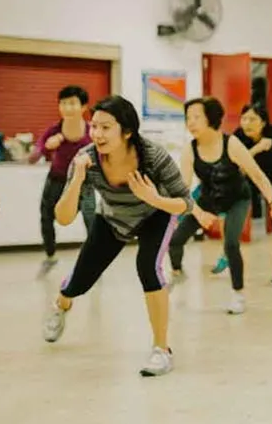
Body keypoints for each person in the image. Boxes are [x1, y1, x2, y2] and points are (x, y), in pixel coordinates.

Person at [42, 95, 195, 377]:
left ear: (126, 131)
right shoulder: (86, 160)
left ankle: (162, 349)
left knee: (148, 268)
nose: (97, 134)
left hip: (155, 215)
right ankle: (61, 303)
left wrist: (153, 197)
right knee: (79, 282)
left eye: (105, 127)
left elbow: (186, 204)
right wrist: (77, 179)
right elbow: (62, 218)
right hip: (113, 219)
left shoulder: (153, 157)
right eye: (94, 127)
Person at [167, 98, 272, 313]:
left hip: (237, 199)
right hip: (207, 200)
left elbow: (258, 177)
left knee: (231, 244)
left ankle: (238, 294)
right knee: (174, 241)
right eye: (187, 118)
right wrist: (198, 212)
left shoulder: (230, 144)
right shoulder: (190, 149)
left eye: (196, 117)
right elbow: (183, 190)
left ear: (211, 119)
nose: (190, 123)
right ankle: (177, 273)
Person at [215, 104, 272, 284]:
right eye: (244, 118)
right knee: (230, 214)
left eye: (252, 119)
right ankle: (226, 253)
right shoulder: (238, 136)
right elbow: (236, 164)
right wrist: (258, 148)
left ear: (263, 123)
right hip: (249, 180)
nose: (247, 123)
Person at [29, 85, 97, 278]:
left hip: (85, 182)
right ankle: (50, 256)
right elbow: (32, 158)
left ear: (83, 107)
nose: (67, 107)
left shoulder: (92, 131)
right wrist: (46, 147)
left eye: (72, 103)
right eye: (63, 103)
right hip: (56, 179)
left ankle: (93, 260)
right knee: (46, 215)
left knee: (91, 220)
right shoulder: (54, 130)